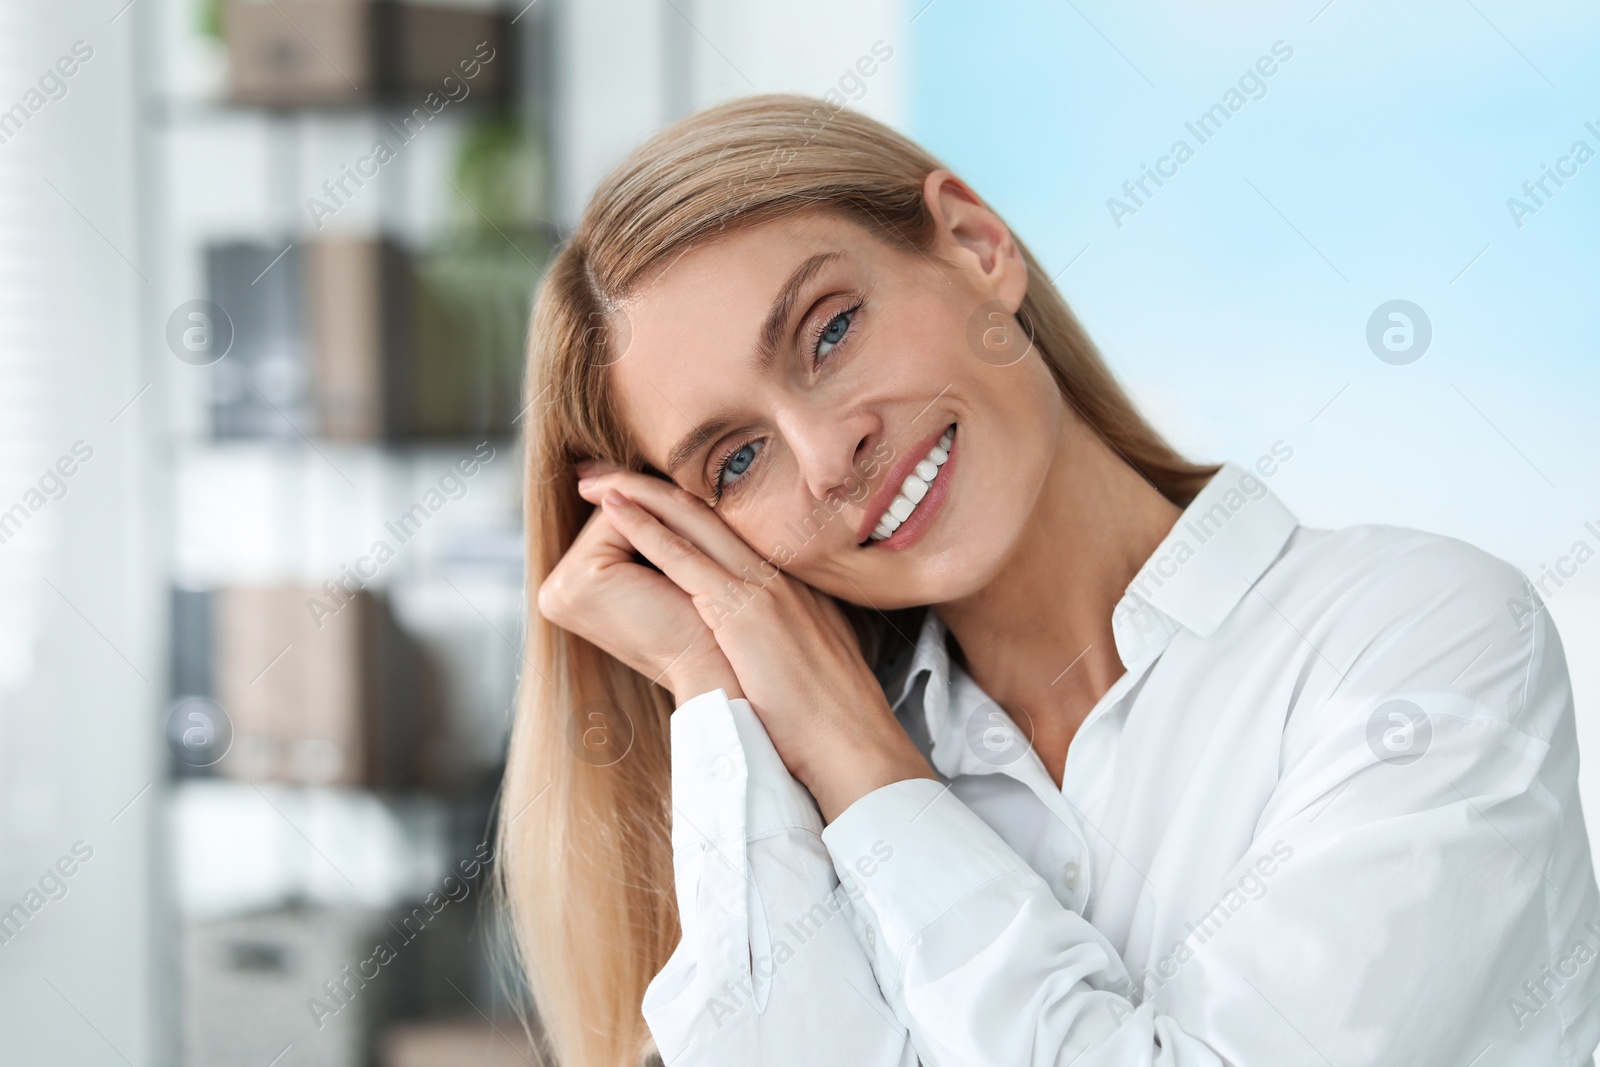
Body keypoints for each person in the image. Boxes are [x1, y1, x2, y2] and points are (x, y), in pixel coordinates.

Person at [495, 94, 1600, 1067]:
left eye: (830, 331)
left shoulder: (1419, 637)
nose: (829, 456)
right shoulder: (792, 804)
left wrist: (866, 771)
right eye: (736, 461)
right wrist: (708, 678)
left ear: (977, 245)